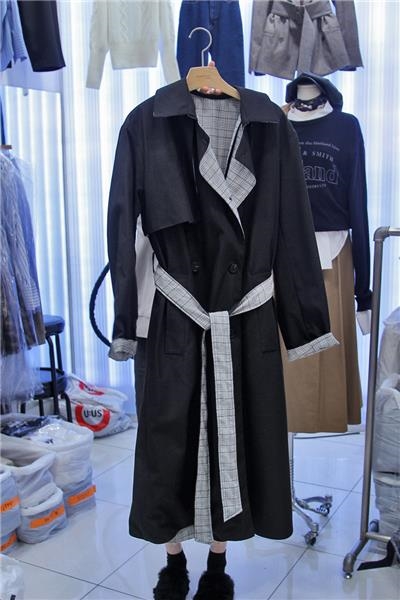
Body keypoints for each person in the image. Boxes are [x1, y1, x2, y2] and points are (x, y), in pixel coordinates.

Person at [108, 63, 337, 600]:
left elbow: (293, 225)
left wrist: (302, 318)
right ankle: (173, 561)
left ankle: (217, 561)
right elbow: (124, 225)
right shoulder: (145, 123)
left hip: (244, 314)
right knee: (170, 442)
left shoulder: (271, 128)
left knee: (238, 438)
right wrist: (129, 321)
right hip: (175, 312)